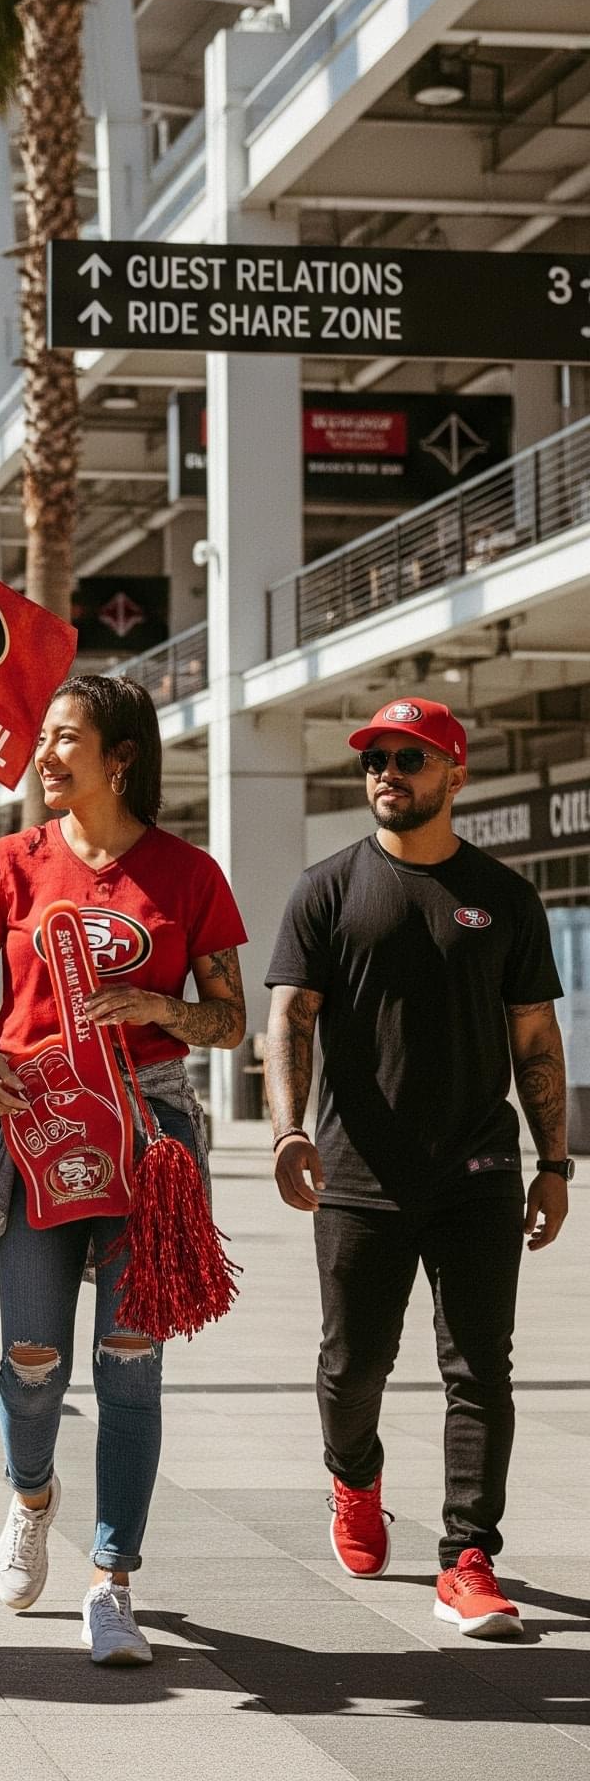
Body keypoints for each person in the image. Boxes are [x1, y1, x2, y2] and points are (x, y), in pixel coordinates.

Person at [0, 674, 247, 1668]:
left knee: (130, 1363)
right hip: (38, 1126)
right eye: (43, 737)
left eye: (65, 737)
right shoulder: (9, 861)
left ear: (120, 756)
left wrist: (159, 1008)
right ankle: (30, 1496)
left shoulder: (187, 874)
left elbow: (227, 1019)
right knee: (32, 1360)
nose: (44, 754)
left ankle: (113, 1580)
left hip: (150, 1138)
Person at [265, 696, 570, 1641]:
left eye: (409, 757)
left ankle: (468, 1559)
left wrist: (555, 1162)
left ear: (455, 774)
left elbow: (535, 1036)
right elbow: (289, 1019)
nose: (386, 774)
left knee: (480, 1368)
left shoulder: (505, 897)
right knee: (352, 1364)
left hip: (478, 1169)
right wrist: (287, 1130)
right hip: (358, 1172)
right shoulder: (327, 889)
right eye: (375, 760)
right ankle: (354, 1478)